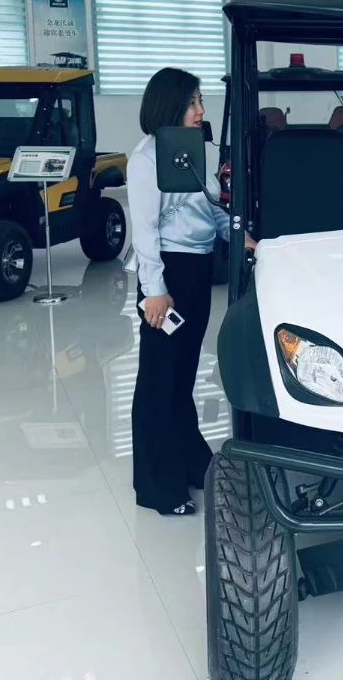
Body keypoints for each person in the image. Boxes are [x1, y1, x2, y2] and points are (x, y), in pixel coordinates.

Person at [127, 68, 231, 517]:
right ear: (168, 105)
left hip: (197, 270)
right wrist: (154, 291)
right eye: (192, 102)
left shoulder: (192, 151)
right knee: (159, 377)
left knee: (183, 372)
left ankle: (188, 459)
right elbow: (145, 230)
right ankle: (157, 485)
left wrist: (239, 236)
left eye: (201, 100)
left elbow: (210, 207)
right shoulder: (146, 158)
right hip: (166, 275)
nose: (201, 110)